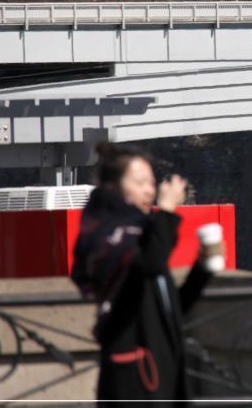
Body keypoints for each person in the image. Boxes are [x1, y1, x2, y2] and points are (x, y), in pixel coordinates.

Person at [71, 143, 218, 403]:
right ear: (113, 187)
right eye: (140, 182)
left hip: (164, 371)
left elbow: (170, 308)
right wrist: (168, 211)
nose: (150, 190)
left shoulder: (141, 231)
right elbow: (152, 265)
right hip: (133, 376)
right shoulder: (111, 235)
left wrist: (202, 267)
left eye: (151, 182)